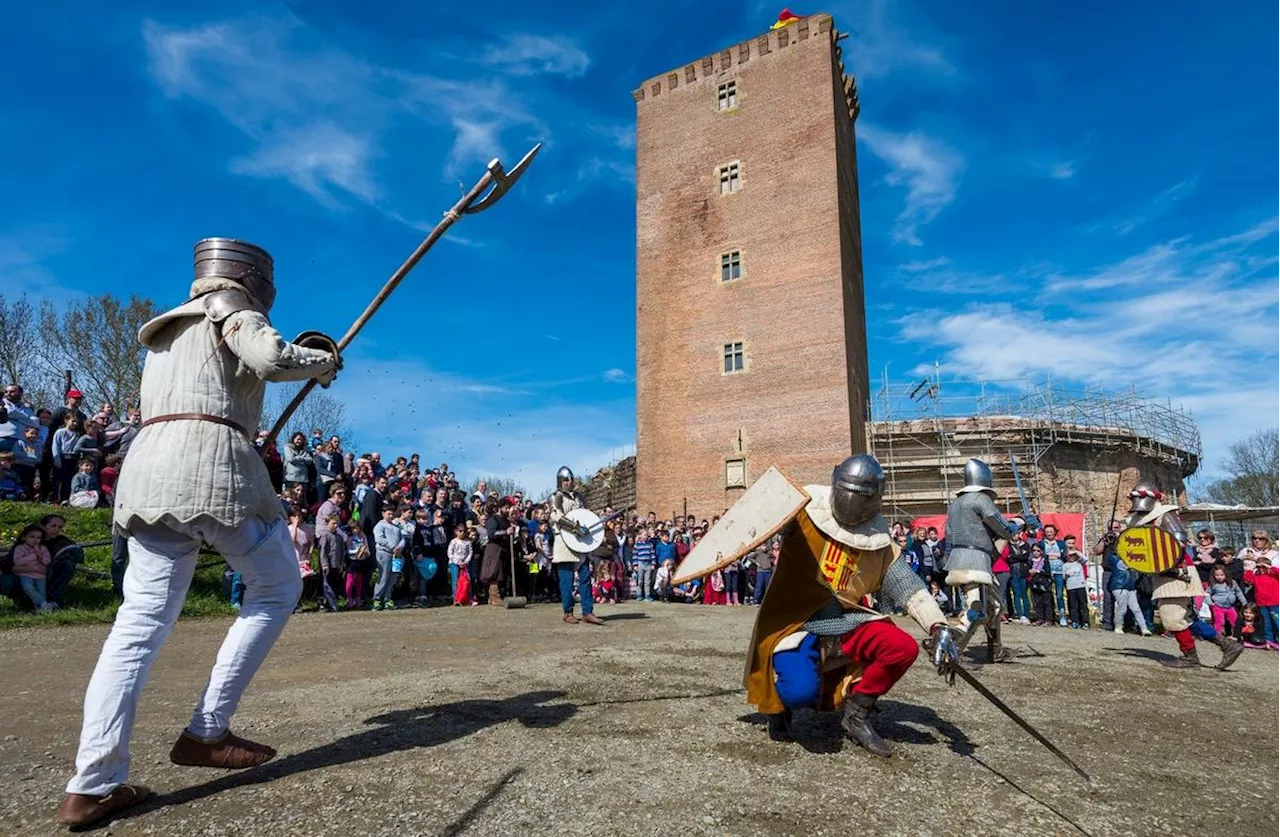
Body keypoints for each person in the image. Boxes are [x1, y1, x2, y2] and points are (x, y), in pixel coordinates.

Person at [56, 238, 339, 828]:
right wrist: (321, 362)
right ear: (250, 280)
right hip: (210, 466)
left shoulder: (167, 338)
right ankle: (206, 731)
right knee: (278, 585)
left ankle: (91, 784)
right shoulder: (234, 309)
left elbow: (226, 384)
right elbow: (270, 360)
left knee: (137, 627)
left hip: (152, 470)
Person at [744, 455, 959, 756]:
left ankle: (857, 714)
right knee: (798, 692)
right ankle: (779, 708)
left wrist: (938, 627)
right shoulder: (804, 512)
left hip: (845, 621)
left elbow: (908, 587)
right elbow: (754, 521)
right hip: (795, 622)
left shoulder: (879, 542)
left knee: (902, 647)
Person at [1119, 483, 1242, 671]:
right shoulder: (1142, 520)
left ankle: (1190, 658)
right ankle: (1227, 645)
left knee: (1172, 619)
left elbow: (1178, 541)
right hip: (1165, 574)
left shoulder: (1165, 515)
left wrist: (1167, 564)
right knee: (1185, 619)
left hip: (1177, 572)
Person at [943, 458, 1015, 662]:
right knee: (976, 608)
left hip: (959, 559)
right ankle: (948, 645)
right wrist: (1019, 525)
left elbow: (949, 533)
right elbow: (1003, 528)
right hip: (975, 562)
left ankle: (995, 649)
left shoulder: (955, 504)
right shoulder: (981, 500)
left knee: (995, 607)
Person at [549, 465, 603, 625]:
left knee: (585, 576)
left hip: (581, 543)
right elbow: (556, 515)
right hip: (564, 541)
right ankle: (568, 612)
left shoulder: (579, 497)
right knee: (567, 579)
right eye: (565, 479)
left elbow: (586, 516)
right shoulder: (556, 496)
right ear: (560, 481)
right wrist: (574, 527)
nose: (569, 482)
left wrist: (585, 528)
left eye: (571, 479)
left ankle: (588, 612)